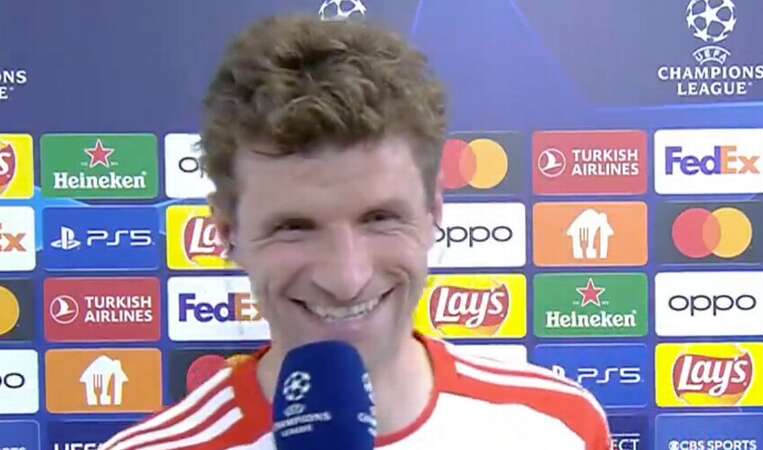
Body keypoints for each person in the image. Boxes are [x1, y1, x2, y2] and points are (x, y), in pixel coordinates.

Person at [101, 15, 610, 450]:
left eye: (380, 218)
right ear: (229, 233)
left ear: (434, 212)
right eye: (293, 227)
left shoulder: (558, 426)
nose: (346, 278)